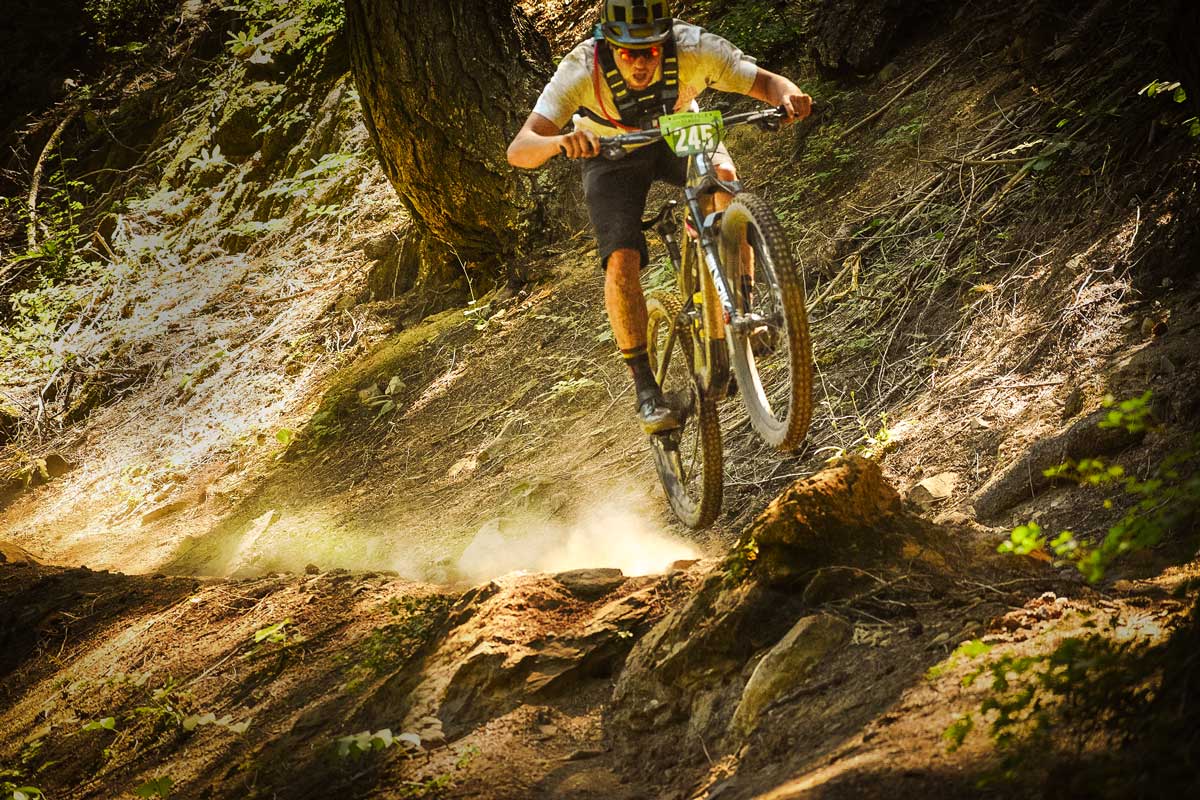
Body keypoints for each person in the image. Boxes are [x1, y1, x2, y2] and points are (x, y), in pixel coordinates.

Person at [507, 0, 812, 433]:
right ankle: (646, 388)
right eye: (628, 52)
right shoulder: (581, 68)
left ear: (666, 42)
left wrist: (787, 97)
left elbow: (763, 82)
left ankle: (740, 307)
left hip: (678, 134)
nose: (640, 62)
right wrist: (561, 143)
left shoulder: (693, 46)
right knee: (621, 258)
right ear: (608, 46)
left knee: (724, 176)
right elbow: (520, 149)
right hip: (610, 154)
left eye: (650, 50)